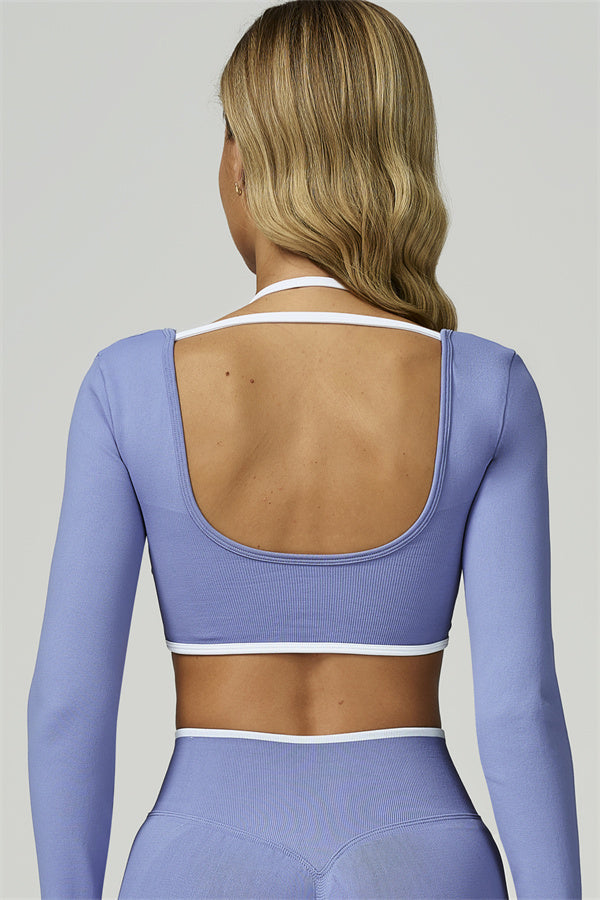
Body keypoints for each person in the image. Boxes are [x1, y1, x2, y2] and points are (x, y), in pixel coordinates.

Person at [27, 1, 582, 897]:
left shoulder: (128, 386)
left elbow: (68, 709)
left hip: (199, 855)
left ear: (243, 161)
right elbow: (521, 708)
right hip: (422, 851)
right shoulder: (489, 387)